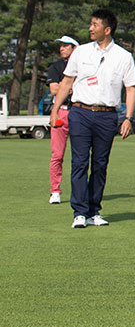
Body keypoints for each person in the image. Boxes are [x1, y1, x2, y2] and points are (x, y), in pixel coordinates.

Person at [49, 10, 135, 229]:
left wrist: (128, 118)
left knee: (100, 164)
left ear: (107, 30)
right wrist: (55, 110)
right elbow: (67, 82)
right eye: (90, 24)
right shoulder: (80, 52)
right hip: (80, 112)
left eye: (95, 25)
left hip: (107, 115)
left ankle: (93, 211)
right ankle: (79, 212)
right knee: (79, 162)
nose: (90, 28)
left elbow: (131, 88)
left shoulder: (123, 56)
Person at [46, 34, 78, 205]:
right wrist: (71, 88)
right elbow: (54, 89)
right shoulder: (56, 67)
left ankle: (79, 191)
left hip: (79, 112)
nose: (61, 48)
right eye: (61, 46)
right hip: (61, 112)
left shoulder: (83, 66)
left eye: (66, 45)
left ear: (75, 48)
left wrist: (65, 87)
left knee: (80, 156)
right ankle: (55, 191)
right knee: (57, 155)